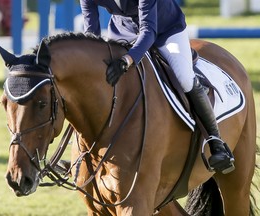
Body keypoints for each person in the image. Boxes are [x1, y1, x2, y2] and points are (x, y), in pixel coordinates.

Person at [80, 0, 235, 174]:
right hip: (122, 30)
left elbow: (149, 31)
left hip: (165, 30)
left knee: (184, 77)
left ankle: (216, 143)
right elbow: (90, 33)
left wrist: (127, 61)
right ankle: (83, 147)